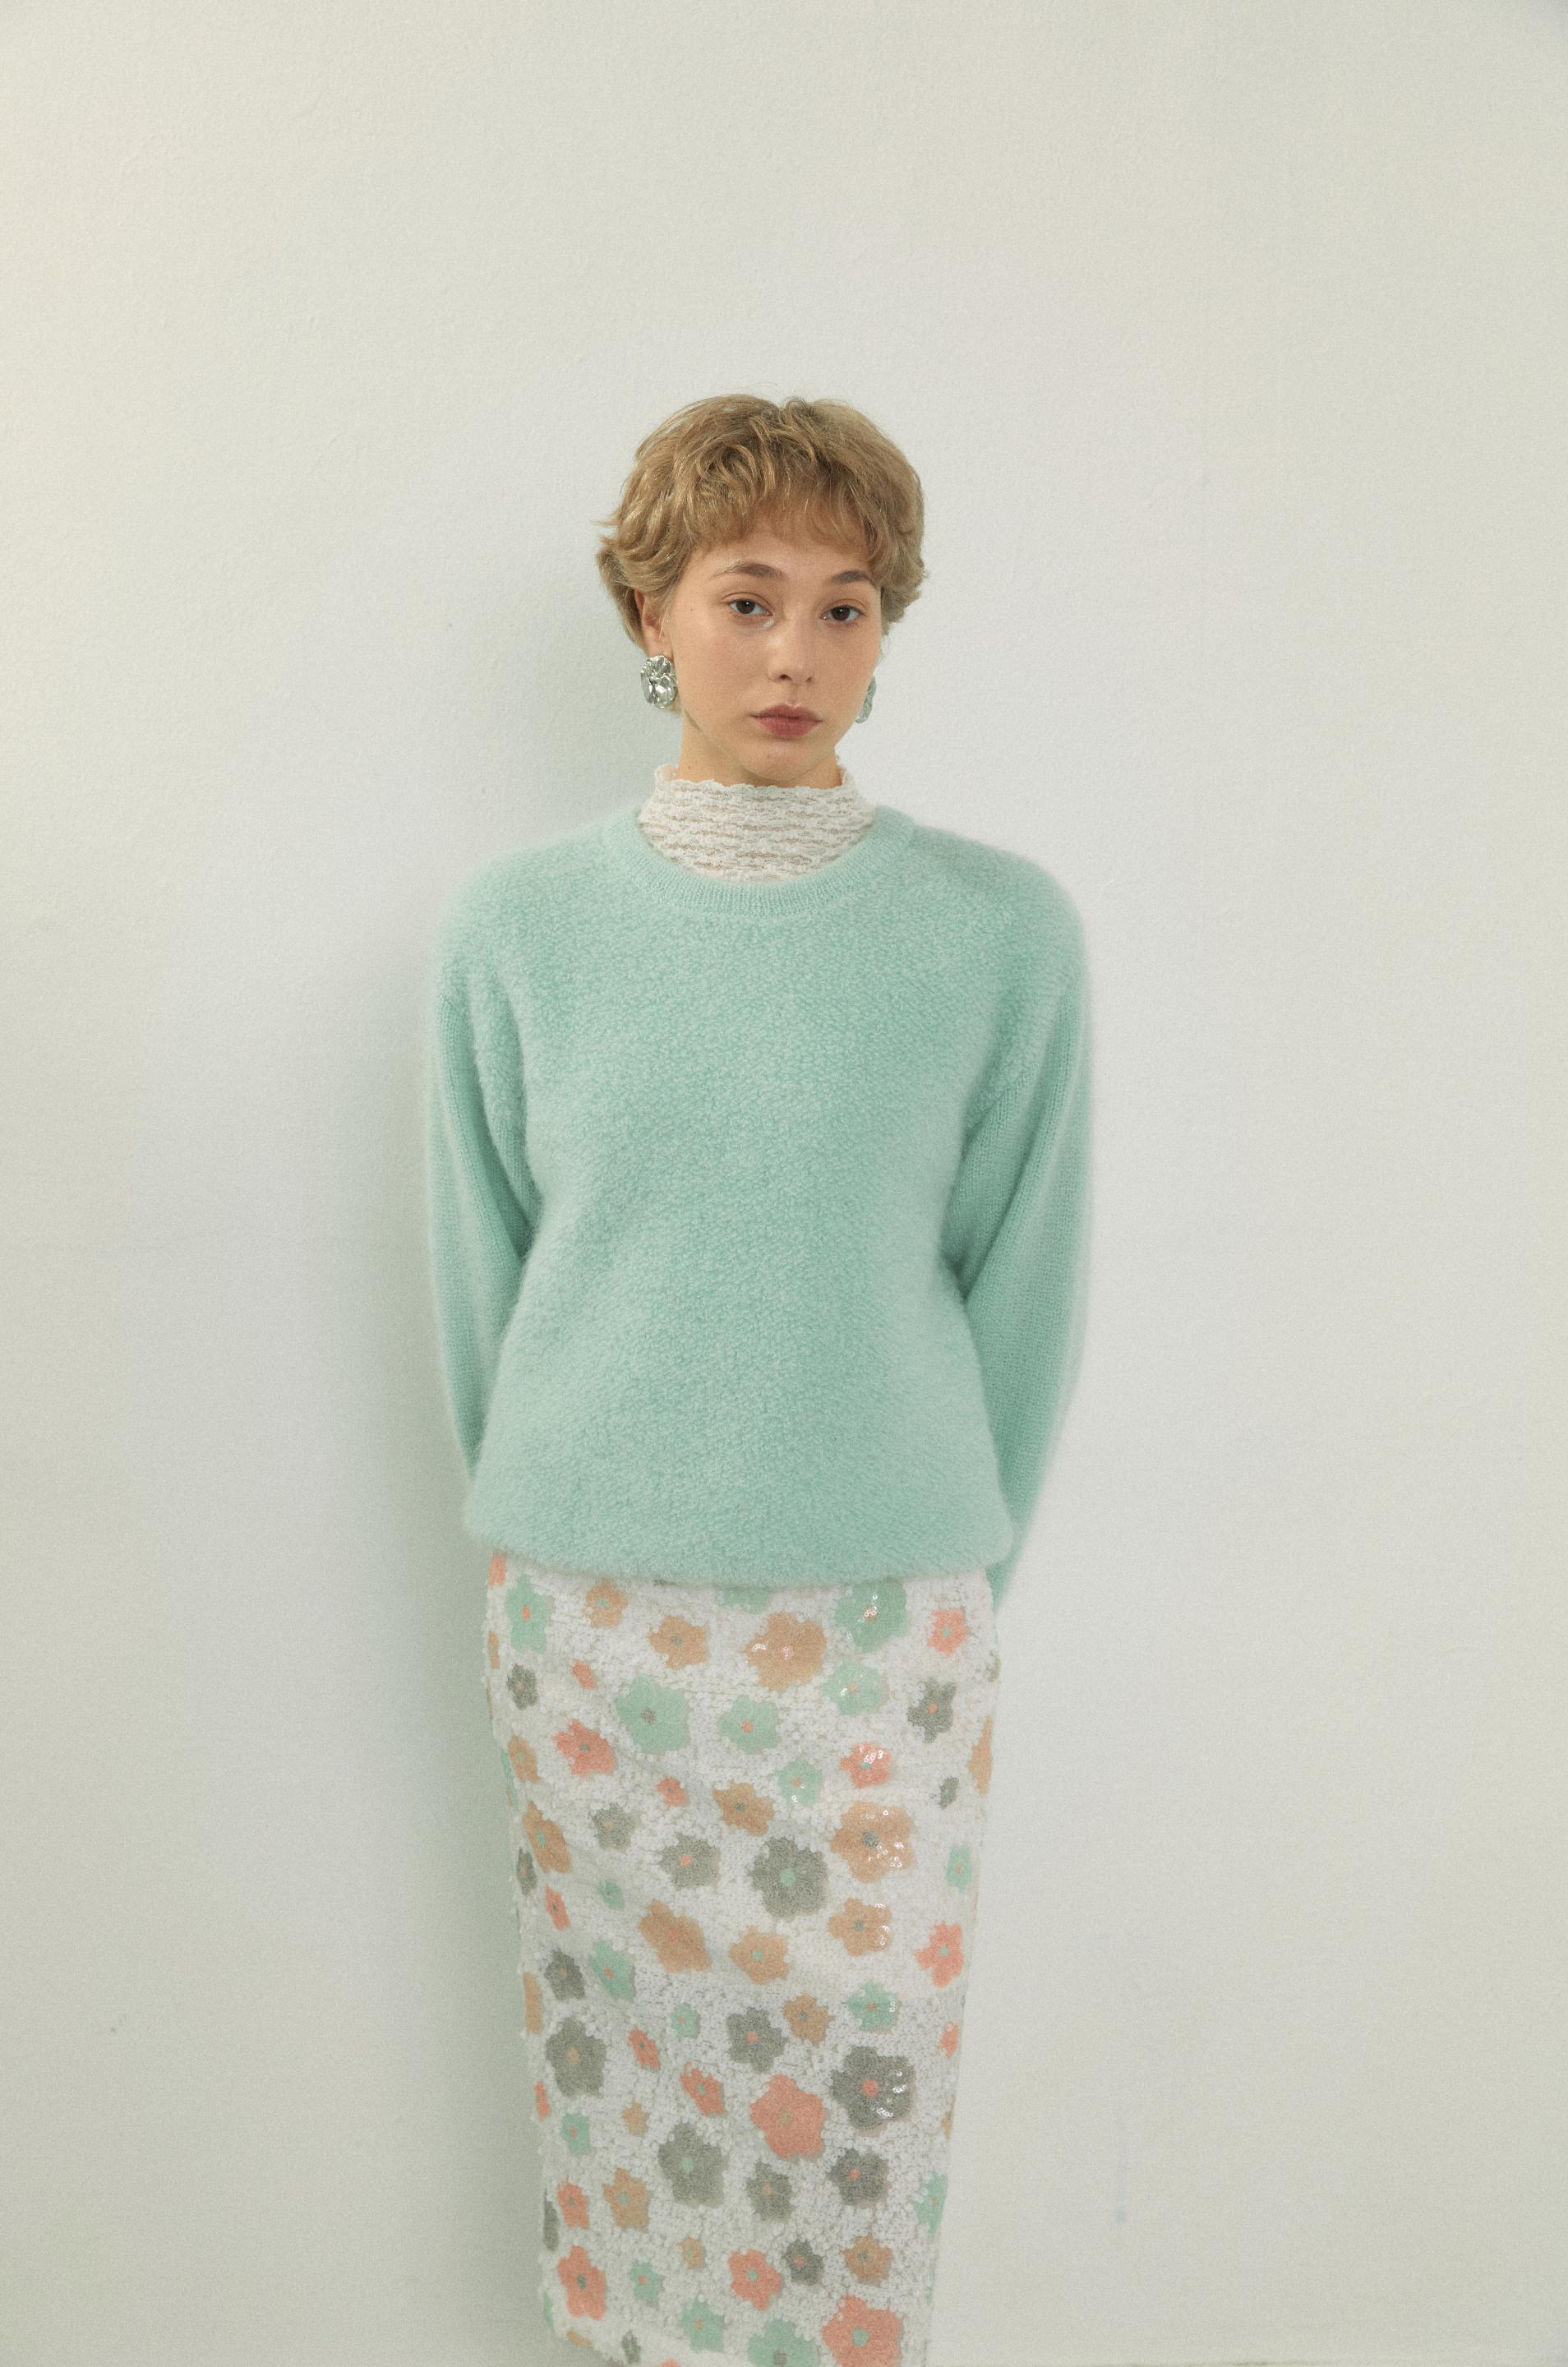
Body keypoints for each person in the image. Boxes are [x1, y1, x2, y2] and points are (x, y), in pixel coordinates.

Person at [425, 393, 1092, 2367]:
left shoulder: (998, 934)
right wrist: (540, 1526)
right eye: (745, 598)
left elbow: (1026, 1288)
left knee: (858, 2116)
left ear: (888, 631)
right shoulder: (519, 932)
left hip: (883, 1630)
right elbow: (483, 1281)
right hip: (595, 1629)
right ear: (652, 613)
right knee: (628, 2111)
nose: (796, 651)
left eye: (845, 605)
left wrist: (951, 1559)